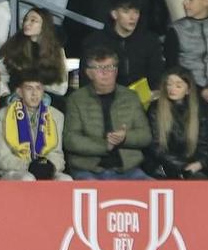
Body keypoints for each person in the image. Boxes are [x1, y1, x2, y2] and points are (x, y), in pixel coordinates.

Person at [62, 46, 153, 178]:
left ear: (116, 71)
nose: (105, 73)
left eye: (110, 67)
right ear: (89, 73)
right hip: (89, 170)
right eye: (99, 68)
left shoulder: (131, 96)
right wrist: (105, 145)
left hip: (128, 169)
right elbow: (71, 140)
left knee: (155, 189)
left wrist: (125, 137)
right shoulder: (76, 99)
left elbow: (145, 136)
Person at [0, 72, 67, 181]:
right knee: (28, 178)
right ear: (19, 92)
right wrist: (30, 166)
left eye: (38, 88)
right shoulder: (3, 115)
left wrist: (49, 166)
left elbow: (57, 154)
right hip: (13, 170)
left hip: (47, 168)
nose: (34, 93)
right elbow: (1, 157)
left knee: (65, 180)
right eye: (29, 88)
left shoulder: (56, 116)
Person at [144, 69, 204, 180]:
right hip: (161, 168)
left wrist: (201, 163)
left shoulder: (199, 110)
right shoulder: (155, 109)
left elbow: (205, 144)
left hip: (191, 167)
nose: (172, 89)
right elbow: (155, 146)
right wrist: (183, 166)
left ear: (188, 90)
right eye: (169, 84)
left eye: (178, 86)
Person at [0, 7, 67, 101]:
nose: (27, 23)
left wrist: (33, 86)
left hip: (45, 99)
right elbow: (1, 74)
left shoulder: (56, 50)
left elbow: (61, 88)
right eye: (26, 20)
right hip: (17, 98)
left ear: (44, 25)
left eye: (33, 20)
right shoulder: (14, 47)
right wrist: (5, 93)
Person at [104, 0, 163, 101]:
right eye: (126, 12)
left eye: (136, 12)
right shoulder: (97, 41)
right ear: (114, 14)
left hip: (144, 100)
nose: (132, 17)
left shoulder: (150, 41)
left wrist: (155, 91)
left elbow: (156, 74)